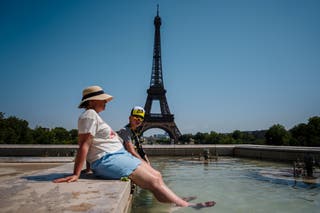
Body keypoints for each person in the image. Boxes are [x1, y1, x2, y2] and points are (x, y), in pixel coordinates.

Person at [53, 85, 199, 207]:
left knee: (157, 175)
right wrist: (76, 173)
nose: (106, 102)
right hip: (109, 159)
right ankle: (184, 204)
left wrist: (89, 168)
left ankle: (177, 201)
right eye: (102, 100)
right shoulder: (89, 115)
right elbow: (85, 144)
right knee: (154, 181)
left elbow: (95, 144)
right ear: (91, 102)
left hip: (117, 156)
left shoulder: (94, 115)